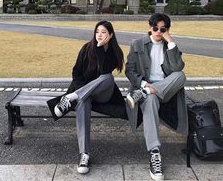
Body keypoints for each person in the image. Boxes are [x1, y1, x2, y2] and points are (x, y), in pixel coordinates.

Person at [48, 21, 124, 174]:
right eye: (97, 32)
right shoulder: (86, 48)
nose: (99, 35)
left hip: (104, 95)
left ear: (111, 35)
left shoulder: (115, 52)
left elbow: (104, 71)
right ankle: (84, 154)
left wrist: (100, 49)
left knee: (108, 77)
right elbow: (76, 72)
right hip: (85, 94)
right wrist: (83, 90)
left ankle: (70, 98)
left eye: (103, 32)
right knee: (83, 101)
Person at [125, 13, 188, 181]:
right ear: (149, 27)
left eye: (163, 29)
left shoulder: (170, 47)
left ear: (167, 30)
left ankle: (146, 92)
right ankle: (155, 154)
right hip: (145, 88)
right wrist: (144, 85)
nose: (158, 32)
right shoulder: (137, 44)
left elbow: (177, 67)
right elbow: (129, 70)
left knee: (180, 75)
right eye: (155, 28)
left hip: (165, 90)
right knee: (151, 98)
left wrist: (171, 41)